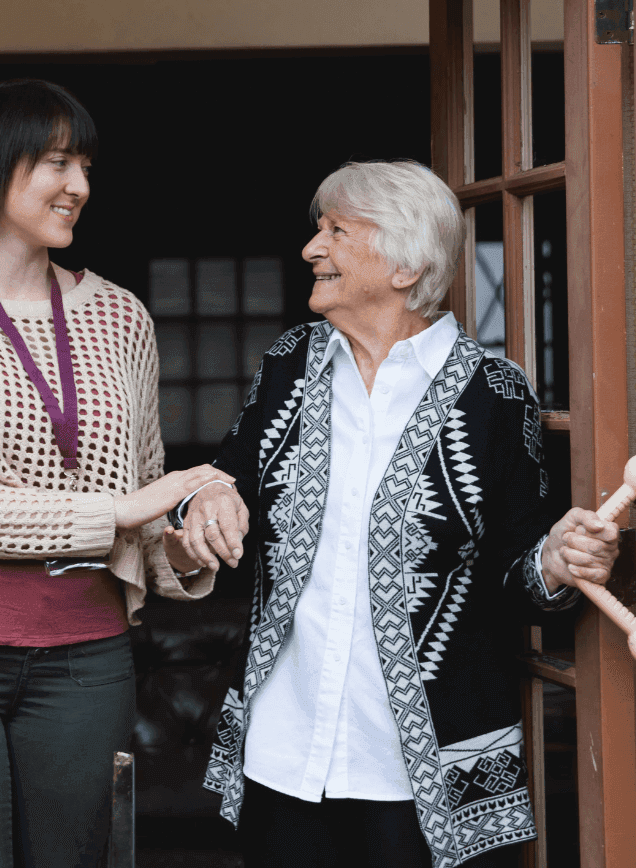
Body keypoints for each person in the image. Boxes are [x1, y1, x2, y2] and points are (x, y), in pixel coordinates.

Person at [170, 160, 620, 868]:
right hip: (285, 753)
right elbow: (228, 477)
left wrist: (557, 560)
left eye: (336, 232)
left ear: (406, 267)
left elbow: (520, 568)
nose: (312, 249)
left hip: (426, 771)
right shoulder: (291, 360)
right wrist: (210, 494)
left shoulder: (496, 397)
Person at [0, 79, 224, 868]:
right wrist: (120, 514)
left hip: (88, 663)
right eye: (58, 162)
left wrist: (191, 541)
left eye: (86, 166)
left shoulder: (123, 317)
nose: (80, 187)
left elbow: (149, 525)